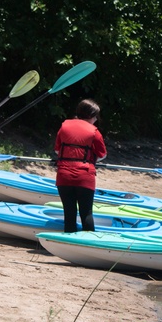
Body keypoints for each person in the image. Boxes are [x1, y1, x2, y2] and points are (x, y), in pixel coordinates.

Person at [54, 99, 106, 233]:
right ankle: (88, 245)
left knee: (69, 213)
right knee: (86, 213)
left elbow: (57, 151)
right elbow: (102, 155)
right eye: (95, 117)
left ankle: (69, 246)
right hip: (84, 177)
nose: (96, 119)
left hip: (63, 176)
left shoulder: (64, 127)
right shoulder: (95, 132)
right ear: (91, 116)